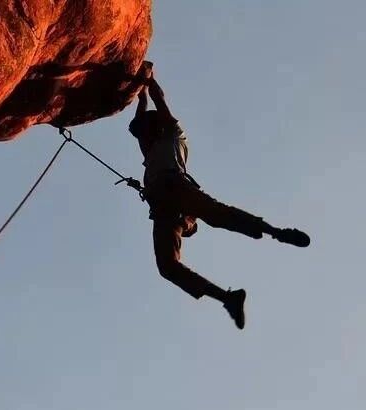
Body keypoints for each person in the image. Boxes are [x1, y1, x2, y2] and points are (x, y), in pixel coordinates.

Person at [129, 63, 310, 329]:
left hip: (176, 190)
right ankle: (227, 298)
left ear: (154, 128)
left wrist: (148, 80)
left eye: (144, 132)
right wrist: (140, 94)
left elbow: (159, 100)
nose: (142, 139)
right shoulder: (152, 146)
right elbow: (143, 113)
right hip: (165, 208)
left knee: (217, 215)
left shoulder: (173, 135)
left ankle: (275, 231)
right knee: (167, 266)